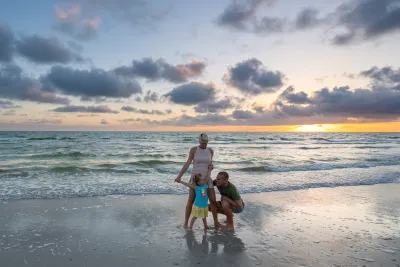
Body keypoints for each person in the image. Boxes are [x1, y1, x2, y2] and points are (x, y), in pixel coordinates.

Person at [175, 133, 219, 228]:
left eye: (206, 143)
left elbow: (210, 164)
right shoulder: (194, 150)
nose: (204, 145)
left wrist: (212, 166)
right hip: (195, 179)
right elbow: (187, 164)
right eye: (202, 142)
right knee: (191, 200)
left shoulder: (210, 151)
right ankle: (186, 223)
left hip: (207, 178)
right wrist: (179, 176)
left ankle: (216, 222)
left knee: (213, 200)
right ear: (199, 141)